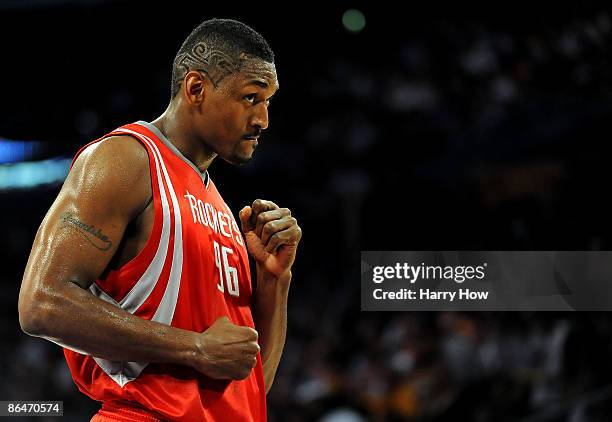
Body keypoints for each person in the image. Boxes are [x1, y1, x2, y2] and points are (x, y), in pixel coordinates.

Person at [17, 18, 301, 421]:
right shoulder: (126, 160)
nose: (263, 120)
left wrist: (274, 279)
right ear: (197, 89)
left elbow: (249, 386)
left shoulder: (219, 206)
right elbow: (40, 303)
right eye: (251, 98)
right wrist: (195, 347)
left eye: (268, 101)